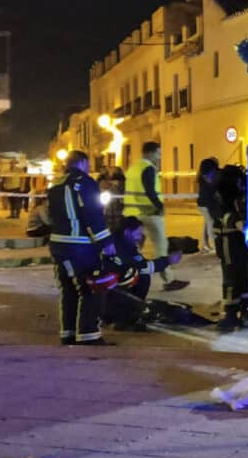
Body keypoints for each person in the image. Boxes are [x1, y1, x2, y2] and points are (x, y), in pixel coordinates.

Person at [47, 150, 115, 345]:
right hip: (79, 245)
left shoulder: (55, 185)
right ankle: (88, 334)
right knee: (90, 288)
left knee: (68, 289)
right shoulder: (85, 183)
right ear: (84, 163)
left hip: (58, 244)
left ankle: (67, 333)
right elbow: (93, 214)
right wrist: (106, 242)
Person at [100, 216, 183, 331]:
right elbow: (143, 267)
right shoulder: (123, 246)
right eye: (138, 232)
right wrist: (168, 260)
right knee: (141, 276)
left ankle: (114, 315)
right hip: (111, 291)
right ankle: (124, 316)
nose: (140, 236)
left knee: (136, 275)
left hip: (107, 289)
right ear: (127, 232)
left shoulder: (119, 241)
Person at [124, 142, 187, 291]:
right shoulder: (148, 168)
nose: (159, 157)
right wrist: (160, 206)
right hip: (150, 213)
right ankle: (169, 280)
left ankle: (126, 276)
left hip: (133, 214)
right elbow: (150, 191)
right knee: (161, 246)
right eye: (158, 153)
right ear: (150, 153)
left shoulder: (133, 168)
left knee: (133, 247)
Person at [214, 165, 248, 331]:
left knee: (237, 278)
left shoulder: (228, 198)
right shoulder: (230, 200)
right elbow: (233, 220)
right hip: (231, 243)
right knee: (235, 279)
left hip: (232, 244)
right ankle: (237, 314)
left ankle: (238, 314)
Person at [196, 157, 220, 254]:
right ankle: (215, 246)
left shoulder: (201, 176)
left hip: (202, 203)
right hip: (206, 204)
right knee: (211, 224)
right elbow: (211, 190)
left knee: (207, 223)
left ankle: (206, 244)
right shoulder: (207, 177)